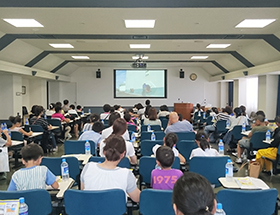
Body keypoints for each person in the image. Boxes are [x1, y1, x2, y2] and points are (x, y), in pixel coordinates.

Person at [80, 134, 140, 202]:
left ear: (104, 152)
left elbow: (83, 192)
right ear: (123, 154)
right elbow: (137, 198)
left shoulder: (88, 167)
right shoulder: (126, 174)